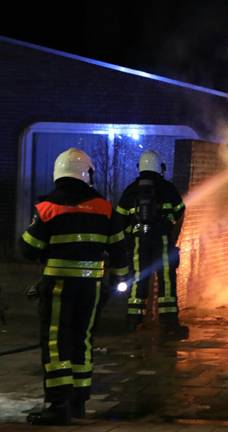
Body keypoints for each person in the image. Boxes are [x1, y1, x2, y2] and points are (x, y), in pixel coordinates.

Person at [19, 148, 128, 425]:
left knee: (57, 341)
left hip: (57, 288)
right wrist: (117, 279)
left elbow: (28, 249)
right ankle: (78, 401)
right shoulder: (105, 207)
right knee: (83, 338)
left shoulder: (47, 208)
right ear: (87, 174)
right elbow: (119, 249)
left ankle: (57, 405)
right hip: (91, 289)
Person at [117, 150, 187, 339]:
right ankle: (169, 323)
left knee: (138, 279)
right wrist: (168, 222)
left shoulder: (131, 190)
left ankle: (133, 321)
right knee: (166, 280)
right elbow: (180, 209)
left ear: (140, 167)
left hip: (138, 242)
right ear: (159, 167)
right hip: (162, 241)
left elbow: (119, 216)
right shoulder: (168, 188)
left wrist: (129, 235)